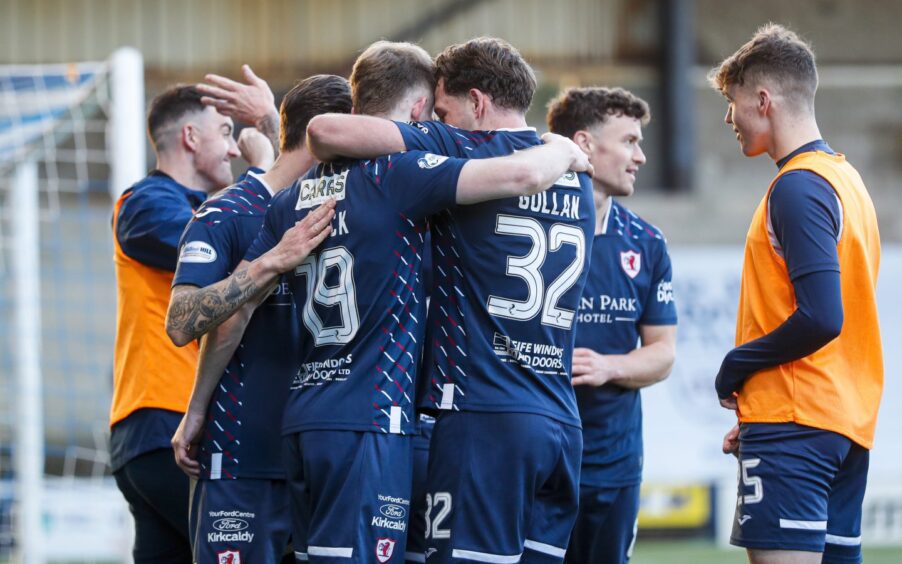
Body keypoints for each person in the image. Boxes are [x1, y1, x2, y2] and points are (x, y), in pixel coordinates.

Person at [306, 37, 596, 563]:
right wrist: (560, 147)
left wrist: (426, 135)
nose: (436, 120)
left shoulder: (463, 146)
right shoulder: (575, 179)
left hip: (482, 417)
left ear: (478, 104)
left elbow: (326, 130)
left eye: (442, 111)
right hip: (560, 422)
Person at [710, 23, 882, 564]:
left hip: (796, 427)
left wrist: (737, 365)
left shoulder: (799, 185)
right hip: (842, 425)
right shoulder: (847, 180)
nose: (729, 118)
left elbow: (822, 318)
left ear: (763, 100)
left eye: (733, 103)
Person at [165, 75, 353, 564]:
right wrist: (271, 261)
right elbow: (182, 321)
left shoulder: (357, 208)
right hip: (244, 454)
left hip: (330, 451)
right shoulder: (227, 211)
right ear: (326, 132)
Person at [109, 83, 273, 563]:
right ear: (188, 137)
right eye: (223, 132)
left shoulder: (209, 210)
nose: (231, 146)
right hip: (165, 421)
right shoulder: (145, 202)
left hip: (161, 432)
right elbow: (232, 250)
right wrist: (262, 170)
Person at [545, 86, 677, 563]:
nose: (640, 156)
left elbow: (663, 352)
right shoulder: (527, 228)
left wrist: (609, 366)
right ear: (583, 144)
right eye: (628, 141)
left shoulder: (646, 242)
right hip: (537, 460)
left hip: (612, 465)